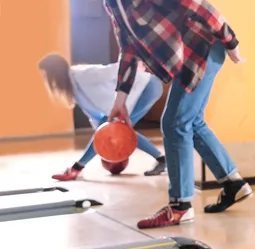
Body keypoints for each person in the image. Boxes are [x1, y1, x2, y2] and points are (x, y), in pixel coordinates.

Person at [72, 0, 252, 229]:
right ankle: (233, 183)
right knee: (190, 120)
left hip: (202, 48)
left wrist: (231, 42)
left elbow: (198, 4)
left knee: (175, 121)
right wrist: (121, 101)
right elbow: (128, 48)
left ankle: (180, 205)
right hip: (186, 57)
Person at [39, 54, 167, 179]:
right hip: (141, 90)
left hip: (147, 87)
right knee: (121, 130)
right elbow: (95, 117)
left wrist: (134, 65)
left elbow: (114, 70)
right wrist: (103, 140)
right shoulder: (74, 86)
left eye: (45, 74)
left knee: (122, 130)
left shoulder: (82, 75)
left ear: (54, 72)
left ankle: (76, 168)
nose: (45, 79)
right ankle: (162, 159)